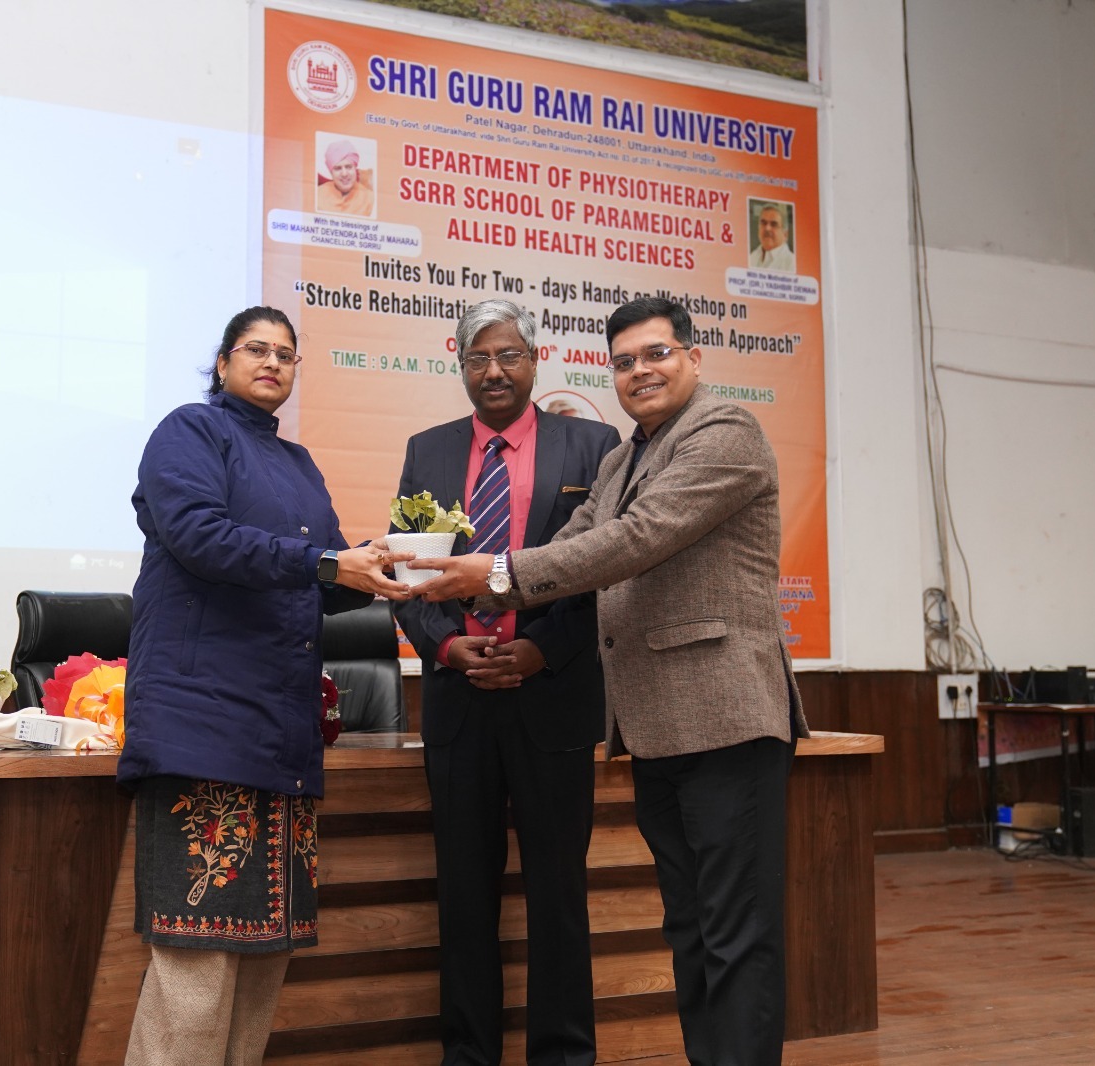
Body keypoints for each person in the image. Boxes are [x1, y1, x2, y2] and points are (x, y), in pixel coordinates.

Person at [403, 295, 808, 1066]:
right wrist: (453, 585)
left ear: (694, 358)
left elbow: (634, 540)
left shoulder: (725, 432)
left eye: (656, 354)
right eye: (624, 362)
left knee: (736, 933)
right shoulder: (623, 461)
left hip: (726, 718)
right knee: (690, 929)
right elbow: (575, 543)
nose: (639, 372)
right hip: (655, 728)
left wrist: (493, 575)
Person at [118, 306, 412, 1066]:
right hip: (202, 726)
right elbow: (201, 538)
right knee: (198, 958)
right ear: (222, 363)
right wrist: (327, 564)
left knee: (263, 954)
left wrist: (382, 567)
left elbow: (322, 578)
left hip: (281, 734)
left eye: (287, 353)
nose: (274, 362)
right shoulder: (190, 430)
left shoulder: (298, 463)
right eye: (257, 348)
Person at [391, 300, 619, 1066]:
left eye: (509, 355)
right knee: (464, 897)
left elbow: (605, 571)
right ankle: (468, 1054)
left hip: (553, 697)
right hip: (458, 703)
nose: (494, 371)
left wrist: (540, 651)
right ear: (459, 364)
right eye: (478, 358)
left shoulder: (592, 446)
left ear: (535, 359)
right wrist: (446, 645)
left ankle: (563, 1056)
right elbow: (410, 573)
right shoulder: (427, 451)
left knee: (558, 896)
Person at [314, 138, 375, 217]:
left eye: (348, 167)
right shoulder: (317, 194)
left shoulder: (370, 199)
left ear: (355, 168)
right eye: (338, 168)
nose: (344, 174)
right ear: (331, 172)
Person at [749, 203, 795, 272]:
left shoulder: (792, 263)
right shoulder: (752, 256)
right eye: (763, 223)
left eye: (774, 224)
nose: (767, 228)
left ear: (785, 235)